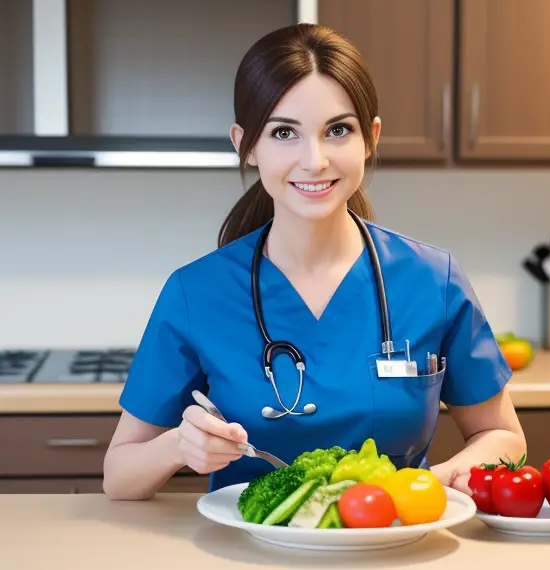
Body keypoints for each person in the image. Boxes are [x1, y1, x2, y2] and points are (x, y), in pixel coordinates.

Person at [103, 23, 526, 501]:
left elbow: (503, 437)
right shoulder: (195, 293)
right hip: (251, 551)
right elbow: (118, 476)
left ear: (371, 138)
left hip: (393, 541)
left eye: (338, 130)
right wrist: (180, 446)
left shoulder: (433, 280)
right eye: (284, 132)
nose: (315, 159)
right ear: (246, 144)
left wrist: (442, 479)